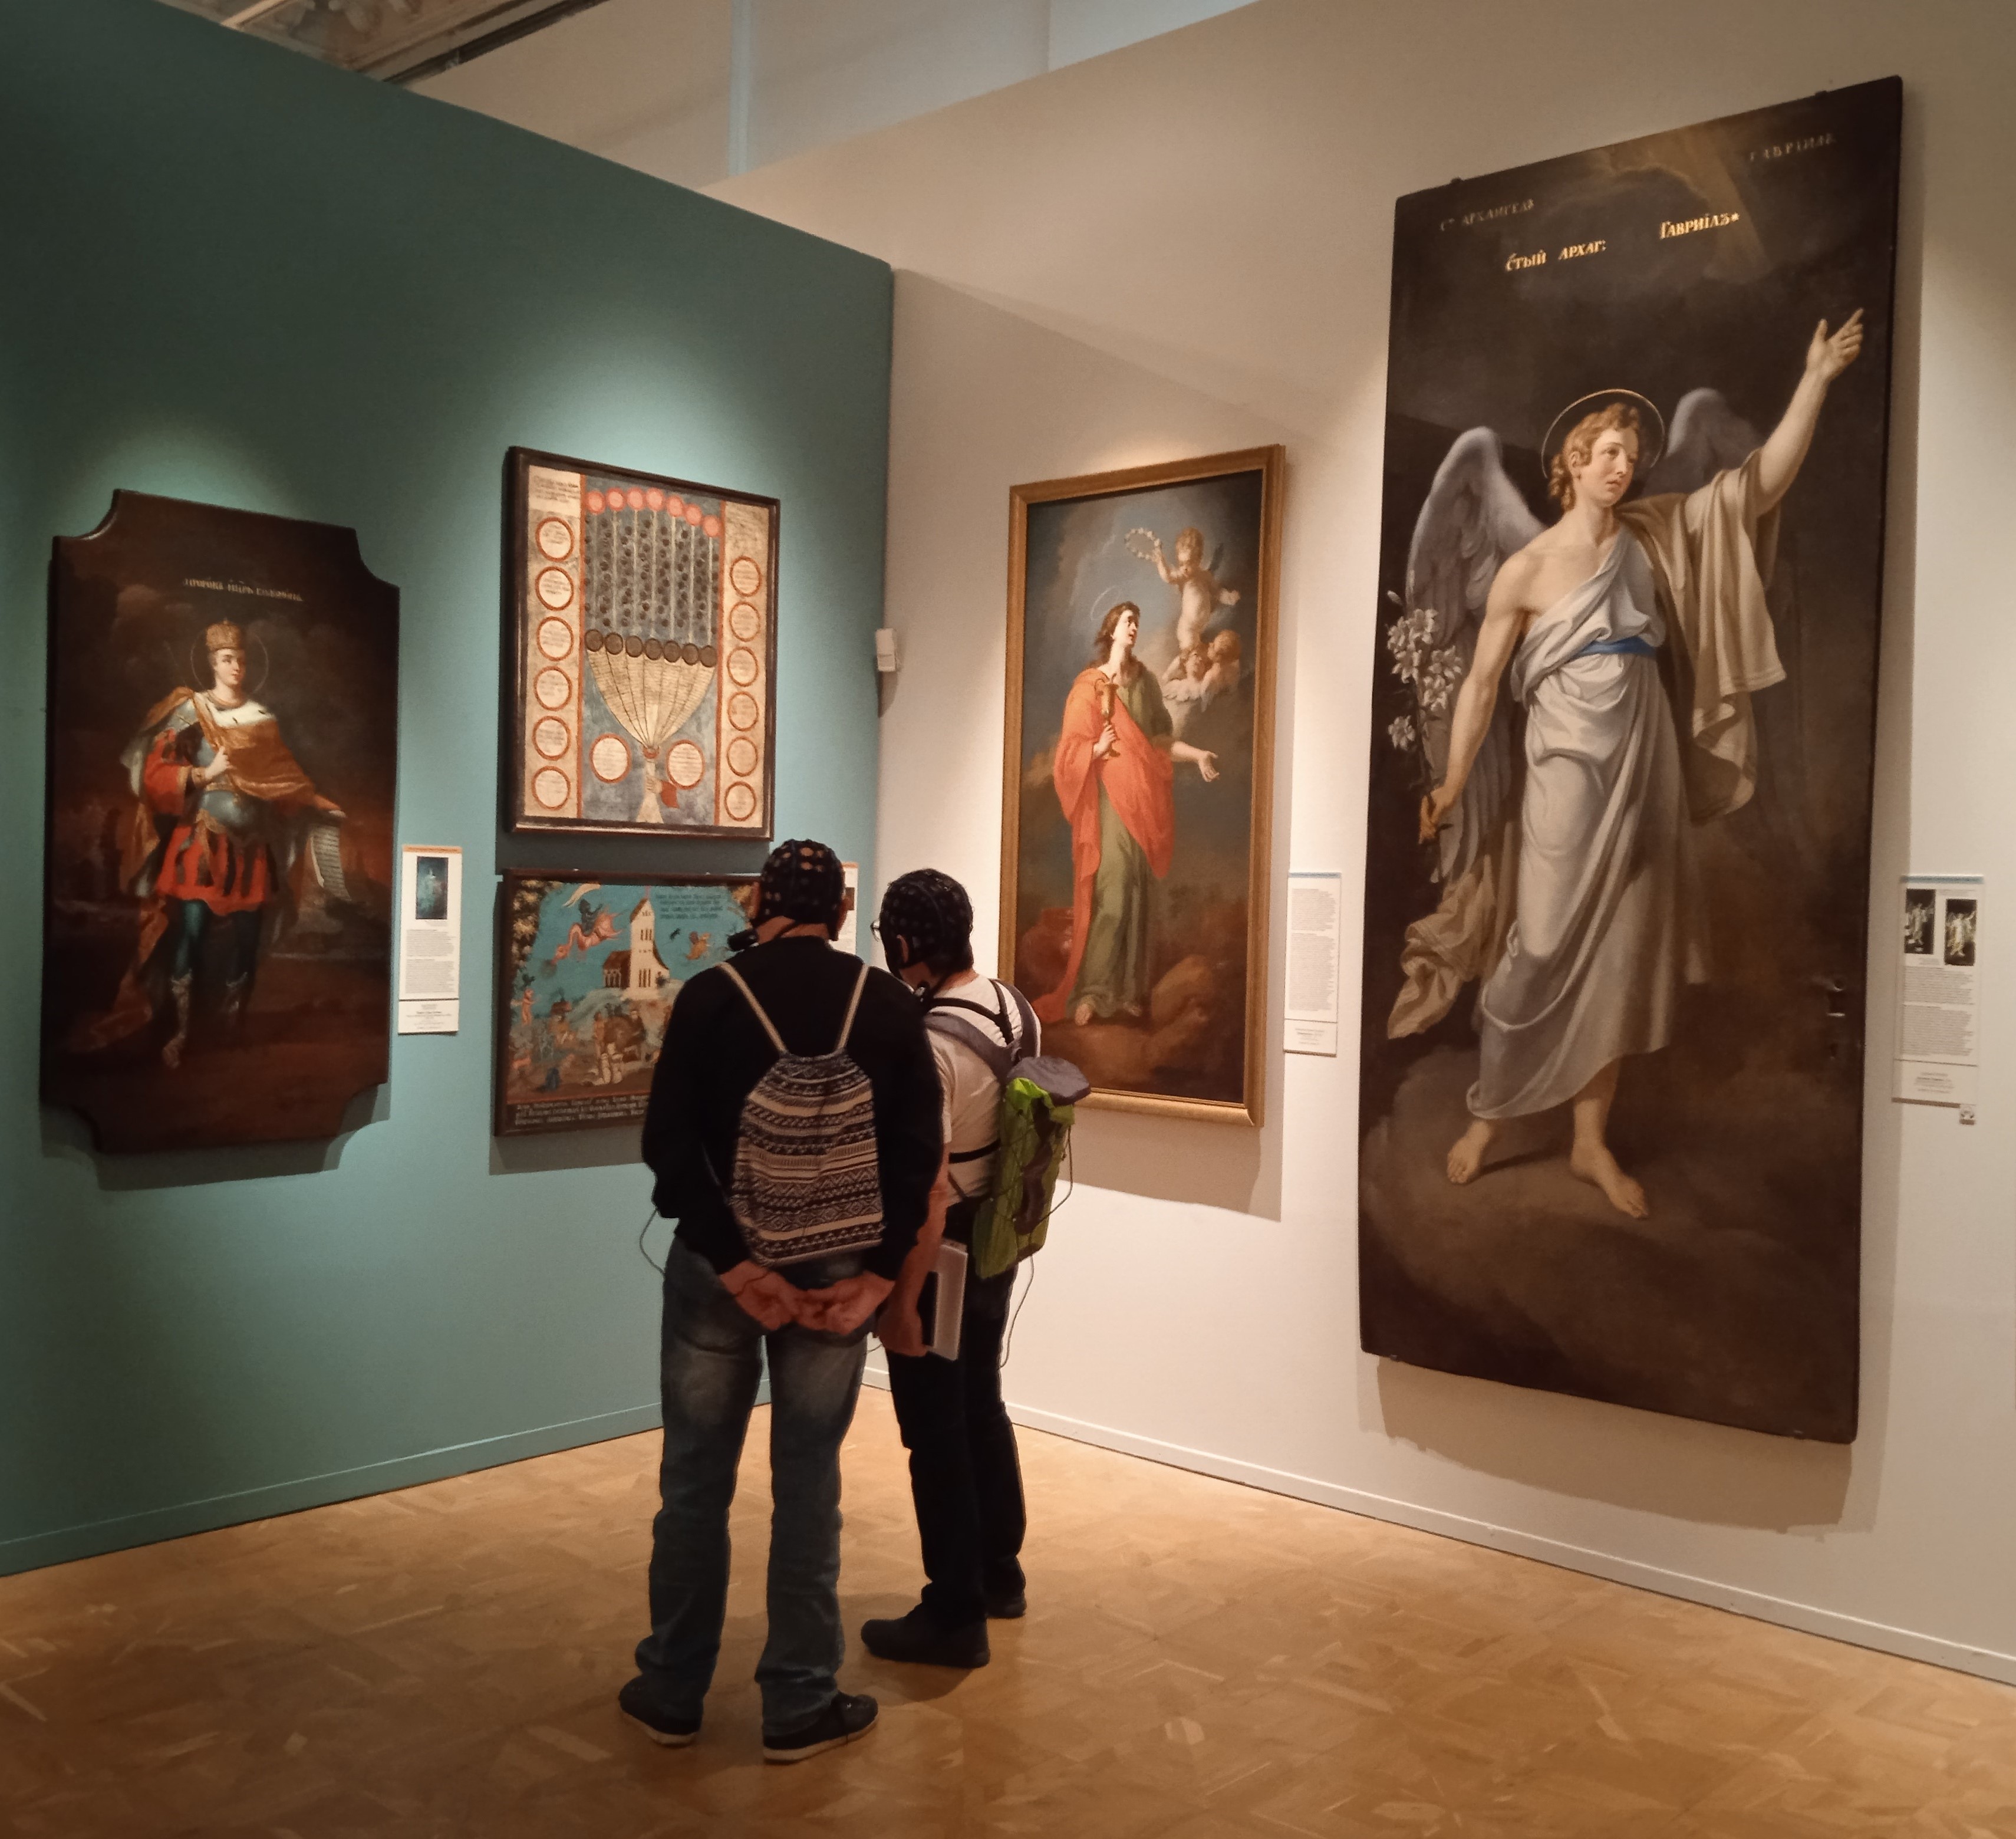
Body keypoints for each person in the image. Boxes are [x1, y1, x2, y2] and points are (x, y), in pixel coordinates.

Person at [1419, 311, 1865, 1218]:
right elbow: (1481, 686)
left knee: (1620, 954)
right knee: (1539, 946)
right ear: (1573, 461)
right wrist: (1455, 779)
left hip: (1641, 760)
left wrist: (1815, 379)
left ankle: (1590, 1141)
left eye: (1631, 453)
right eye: (1609, 451)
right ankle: (1490, 1117)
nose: (1624, 465)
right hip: (1564, 768)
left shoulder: (1655, 535)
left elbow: (1759, 486)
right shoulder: (1526, 568)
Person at [621, 839, 943, 1763]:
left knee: (694, 1481)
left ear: (758, 902)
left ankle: (672, 1689)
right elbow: (917, 1153)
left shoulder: (712, 995)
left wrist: (736, 1264)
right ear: (840, 912)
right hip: (840, 1268)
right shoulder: (886, 1001)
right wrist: (878, 1277)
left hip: (716, 1268)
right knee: (809, 1482)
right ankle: (799, 1700)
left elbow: (668, 1145)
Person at [861, 869, 1035, 1669]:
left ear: (904, 943)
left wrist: (902, 1301)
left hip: (943, 1250)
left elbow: (927, 1187)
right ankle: (1000, 1572)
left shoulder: (930, 1041)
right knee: (980, 1404)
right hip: (996, 1236)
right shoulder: (1013, 1004)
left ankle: (953, 1610)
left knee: (933, 1428)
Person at [74, 620, 343, 1067]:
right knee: (190, 936)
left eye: (241, 659)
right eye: (227, 659)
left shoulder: (262, 719)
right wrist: (205, 773)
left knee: (247, 941)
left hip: (250, 848)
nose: (236, 667)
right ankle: (180, 1032)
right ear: (212, 663)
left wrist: (316, 802)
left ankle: (231, 1028)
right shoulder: (191, 711)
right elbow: (156, 773)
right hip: (201, 842)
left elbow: (282, 780)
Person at [1036, 600, 1220, 1028]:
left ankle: (1128, 992)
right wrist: (1095, 749)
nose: (1134, 627)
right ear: (1111, 629)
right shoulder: (1088, 686)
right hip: (1108, 804)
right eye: (1127, 621)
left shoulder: (1146, 683)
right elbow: (1067, 754)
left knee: (1137, 892)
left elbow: (1160, 742)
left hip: (1142, 802)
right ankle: (1093, 990)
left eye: (1138, 621)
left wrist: (1198, 756)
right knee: (1113, 892)